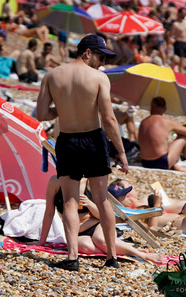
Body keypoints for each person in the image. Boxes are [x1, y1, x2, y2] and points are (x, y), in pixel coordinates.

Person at [36, 34, 128, 271]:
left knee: (69, 200)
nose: (102, 63)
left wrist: (62, 108)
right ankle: (111, 257)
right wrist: (121, 151)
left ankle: (72, 257)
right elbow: (108, 118)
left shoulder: (52, 75)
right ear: (87, 53)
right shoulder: (99, 78)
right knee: (102, 199)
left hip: (67, 141)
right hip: (93, 140)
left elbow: (42, 115)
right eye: (100, 56)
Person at [37, 176, 165, 264]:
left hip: (97, 224)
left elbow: (103, 215)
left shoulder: (89, 182)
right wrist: (41, 242)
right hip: (77, 232)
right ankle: (123, 250)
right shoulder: (55, 181)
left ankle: (142, 255)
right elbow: (49, 213)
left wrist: (89, 204)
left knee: (100, 240)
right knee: (83, 246)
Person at [138, 97, 186, 173]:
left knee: (165, 146)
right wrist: (179, 138)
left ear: (151, 107)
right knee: (184, 139)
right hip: (161, 162)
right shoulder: (165, 122)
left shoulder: (143, 122)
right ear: (164, 109)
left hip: (145, 162)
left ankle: (176, 165)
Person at [170, 8, 186, 73]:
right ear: (179, 13)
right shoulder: (175, 24)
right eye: (183, 13)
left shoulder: (184, 22)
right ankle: (179, 73)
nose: (184, 15)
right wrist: (170, 43)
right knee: (179, 60)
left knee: (184, 60)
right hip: (178, 42)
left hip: (185, 43)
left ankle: (180, 72)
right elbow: (170, 35)